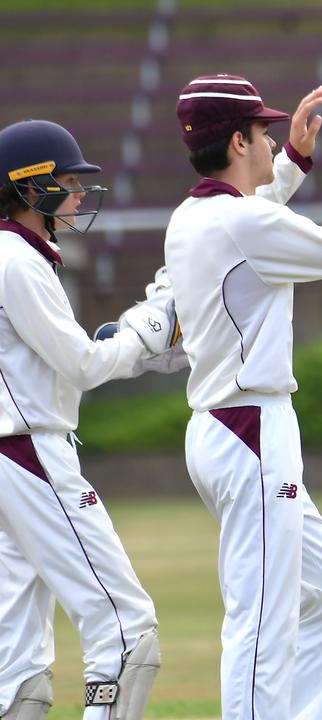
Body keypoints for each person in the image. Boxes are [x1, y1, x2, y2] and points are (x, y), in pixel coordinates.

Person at [163, 74, 322, 719]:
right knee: (264, 617)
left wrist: (294, 161)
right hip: (250, 430)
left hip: (228, 427)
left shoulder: (193, 216)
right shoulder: (242, 222)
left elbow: (255, 217)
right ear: (239, 140)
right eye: (265, 132)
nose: (271, 140)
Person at [0, 119, 175, 720]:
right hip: (30, 453)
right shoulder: (16, 259)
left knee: (18, 669)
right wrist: (145, 334)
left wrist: (131, 349)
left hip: (11, 457)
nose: (79, 194)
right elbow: (82, 365)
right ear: (29, 188)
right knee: (128, 631)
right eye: (68, 182)